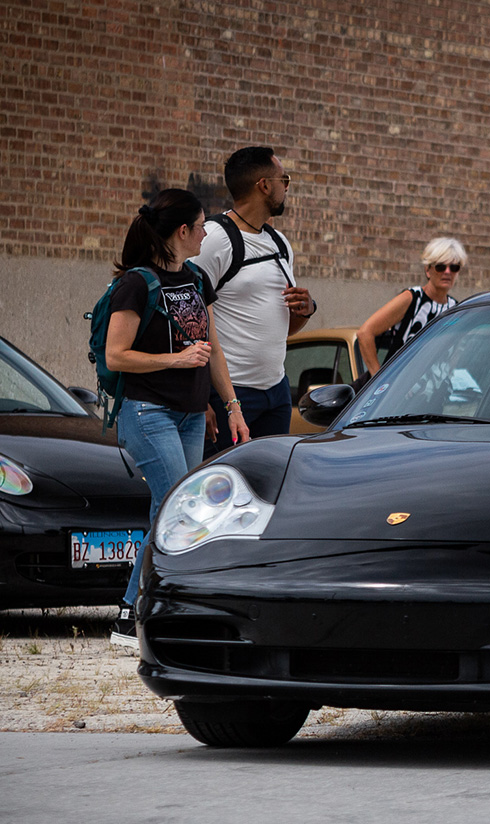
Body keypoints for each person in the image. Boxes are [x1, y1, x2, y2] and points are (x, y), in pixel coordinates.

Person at [104, 188, 251, 649]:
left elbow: (213, 349)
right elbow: (115, 356)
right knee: (174, 509)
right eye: (202, 225)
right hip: (148, 413)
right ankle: (131, 615)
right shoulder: (135, 283)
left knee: (185, 516)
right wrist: (175, 360)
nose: (207, 232)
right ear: (181, 231)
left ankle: (164, 608)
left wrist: (232, 406)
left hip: (190, 416)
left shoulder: (193, 278)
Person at [193, 147, 316, 455]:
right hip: (230, 396)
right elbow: (188, 319)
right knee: (223, 487)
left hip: (277, 393)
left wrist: (306, 310)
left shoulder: (279, 243)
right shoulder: (214, 239)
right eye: (283, 179)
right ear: (263, 185)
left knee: (267, 488)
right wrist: (200, 399)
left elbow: (281, 329)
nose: (287, 187)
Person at [356, 237, 467, 377]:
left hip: (435, 394)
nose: (447, 272)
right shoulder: (412, 298)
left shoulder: (456, 309)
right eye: (440, 266)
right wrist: (380, 381)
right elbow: (365, 333)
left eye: (454, 267)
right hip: (399, 392)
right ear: (428, 270)